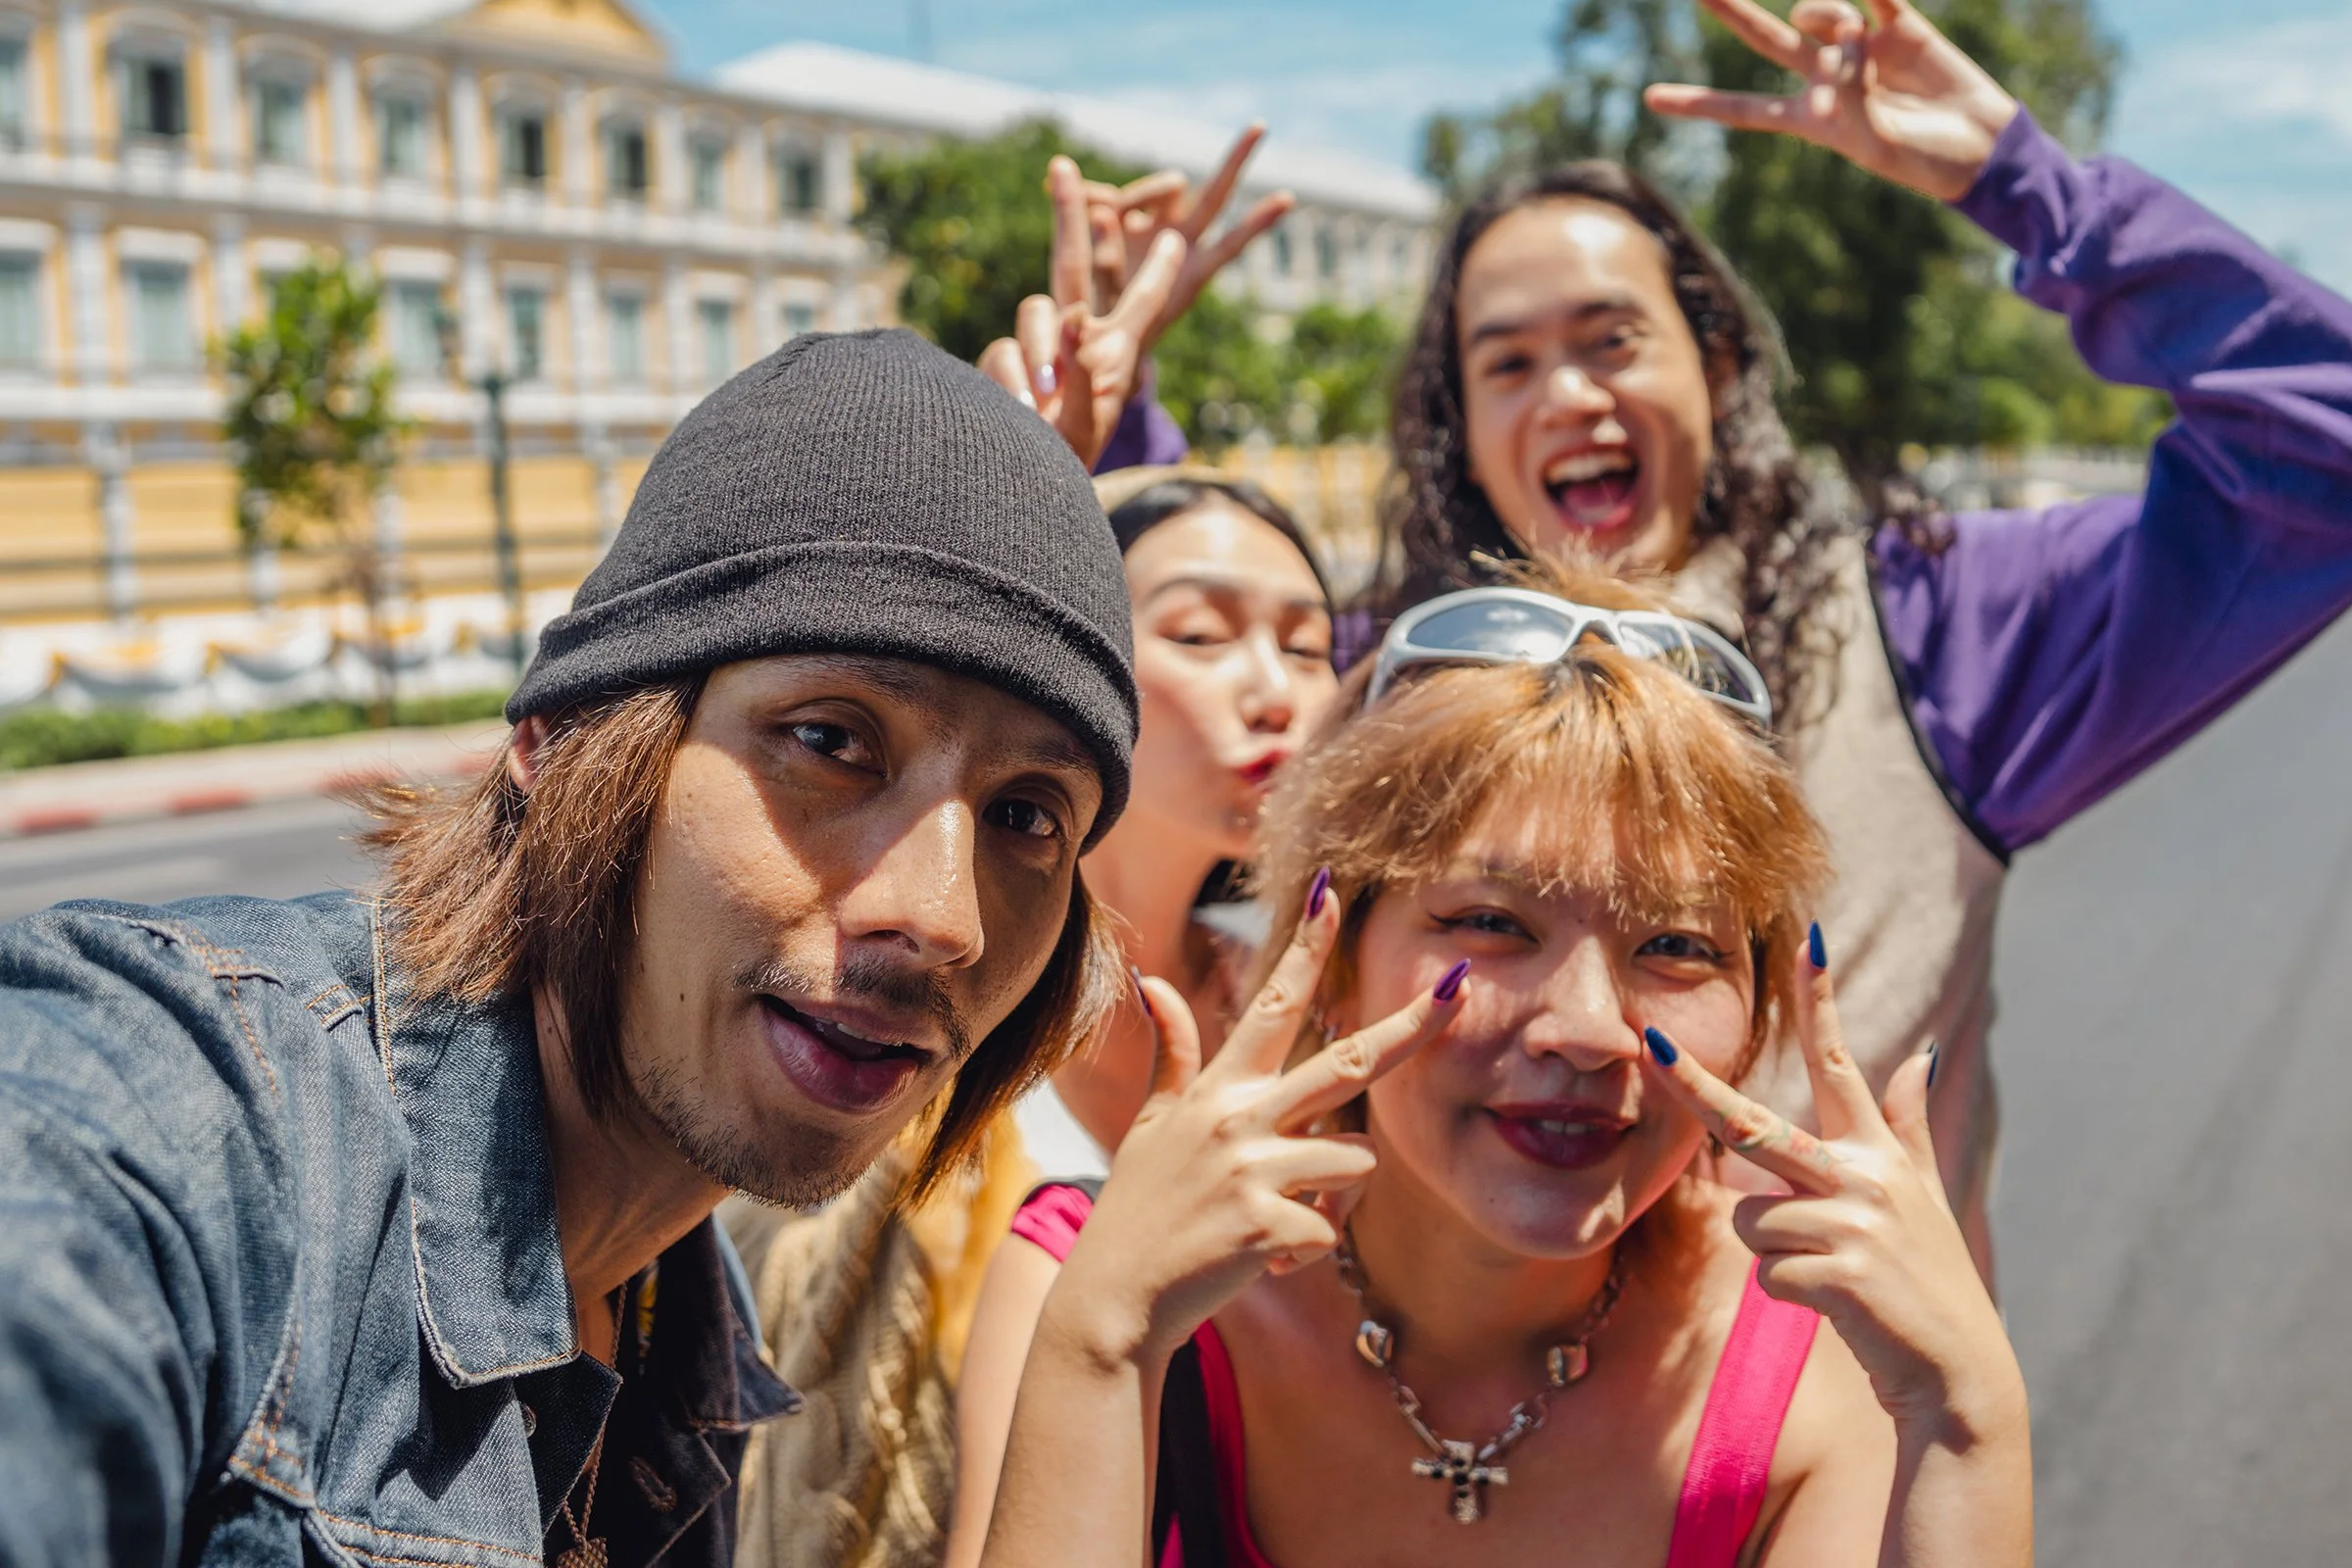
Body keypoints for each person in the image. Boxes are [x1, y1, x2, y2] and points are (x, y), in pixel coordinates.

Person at [1002, 0, 2352, 1271]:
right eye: (1508, 362)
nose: (1569, 395)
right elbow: (1160, 727)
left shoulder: (1929, 628)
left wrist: (2028, 185)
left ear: (1715, 364)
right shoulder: (1391, 675)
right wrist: (1099, 454)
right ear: (1458, 423)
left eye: (1612, 340)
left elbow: (2324, 458)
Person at [0, 329, 1146, 1567]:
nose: (944, 918)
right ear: (558, 741)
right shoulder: (184, 1129)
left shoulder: (691, 1352)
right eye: (831, 741)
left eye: (1027, 815)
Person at [960, 564, 2030, 1567]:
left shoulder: (1827, 1368)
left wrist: (1970, 1419)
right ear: (1331, 966)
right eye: (1490, 921)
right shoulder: (1100, 1283)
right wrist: (1105, 1345)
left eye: (1677, 945)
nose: (1588, 1029)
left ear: (1756, 1017)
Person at [731, 467, 1340, 1568]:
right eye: (1201, 635)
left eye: (1309, 647)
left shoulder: (1341, 1014)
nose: (1275, 692)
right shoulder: (898, 1026)